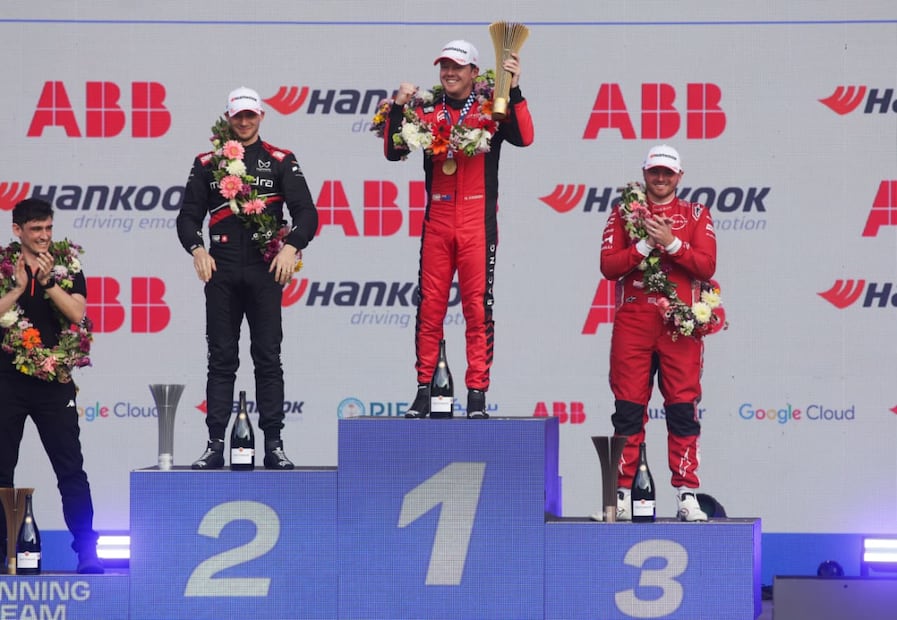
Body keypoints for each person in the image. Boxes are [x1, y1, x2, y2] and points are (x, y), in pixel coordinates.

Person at [382, 39, 534, 418]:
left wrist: (514, 90)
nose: (449, 73)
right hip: (437, 222)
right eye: (444, 67)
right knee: (429, 308)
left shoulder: (491, 108)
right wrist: (398, 107)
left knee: (477, 310)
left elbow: (524, 137)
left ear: (473, 72)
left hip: (476, 225)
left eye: (457, 67)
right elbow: (393, 152)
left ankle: (477, 394)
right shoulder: (425, 111)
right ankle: (425, 389)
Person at [176, 87, 318, 469]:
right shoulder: (208, 163)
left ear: (261, 116)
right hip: (221, 271)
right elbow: (188, 216)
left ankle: (274, 444)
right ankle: (214, 444)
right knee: (221, 359)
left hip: (264, 271)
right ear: (228, 117)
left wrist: (291, 248)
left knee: (268, 357)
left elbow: (307, 213)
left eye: (250, 115)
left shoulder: (280, 160)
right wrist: (197, 250)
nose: (243, 122)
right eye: (237, 115)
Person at [597, 145, 717, 521]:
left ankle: (687, 494)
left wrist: (672, 243)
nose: (661, 178)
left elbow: (707, 266)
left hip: (678, 325)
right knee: (627, 411)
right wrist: (645, 245)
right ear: (644, 174)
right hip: (634, 321)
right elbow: (608, 266)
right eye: (655, 172)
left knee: (682, 410)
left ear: (680, 176)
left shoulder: (696, 214)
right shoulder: (624, 213)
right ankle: (618, 497)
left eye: (668, 172)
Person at [0, 198, 104, 574]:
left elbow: (77, 313)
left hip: (54, 381)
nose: (44, 236)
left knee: (71, 470)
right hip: (7, 380)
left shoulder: (66, 264)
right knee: (1, 472)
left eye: (48, 228)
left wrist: (46, 283)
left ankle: (87, 553)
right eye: (35, 229)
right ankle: (5, 555)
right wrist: (18, 289)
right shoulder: (4, 266)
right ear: (18, 230)